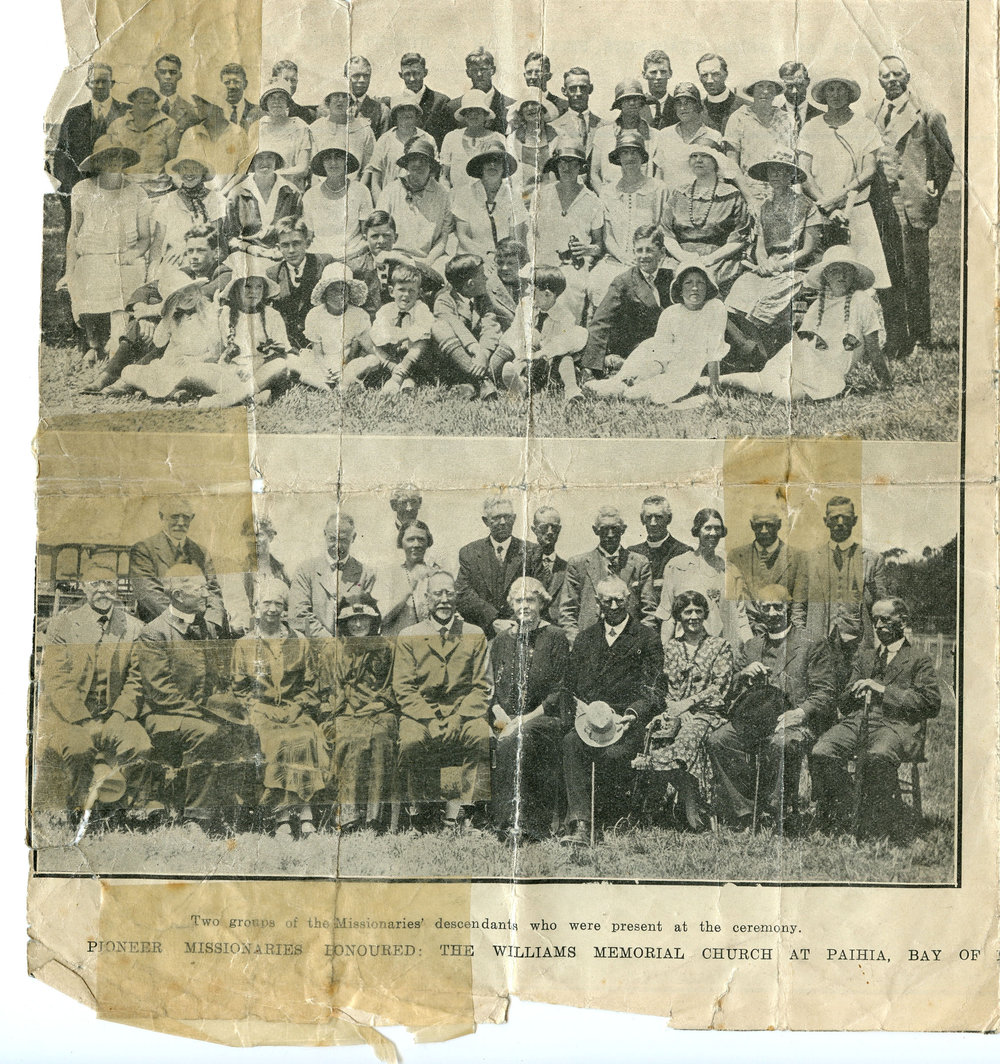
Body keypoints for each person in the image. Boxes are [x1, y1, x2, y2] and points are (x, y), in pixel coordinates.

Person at [137, 564, 257, 834]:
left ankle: (235, 811)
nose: (207, 594)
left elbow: (219, 678)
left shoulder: (207, 629)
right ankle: (196, 818)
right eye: (200, 589)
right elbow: (159, 691)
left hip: (200, 711)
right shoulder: (154, 633)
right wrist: (206, 712)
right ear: (178, 595)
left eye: (206, 587)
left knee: (245, 728)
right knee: (209, 732)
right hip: (164, 716)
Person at [706, 585, 835, 830]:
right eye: (767, 607)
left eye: (779, 607)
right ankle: (745, 810)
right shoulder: (752, 646)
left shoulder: (812, 643)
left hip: (798, 723)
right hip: (756, 720)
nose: (773, 613)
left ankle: (778, 811)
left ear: (789, 608)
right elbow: (730, 688)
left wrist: (799, 713)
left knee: (780, 744)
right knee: (719, 740)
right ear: (759, 611)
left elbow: (826, 692)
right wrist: (742, 675)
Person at [810, 597, 941, 840]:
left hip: (897, 726)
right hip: (859, 720)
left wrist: (882, 690)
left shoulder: (918, 658)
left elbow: (931, 703)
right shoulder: (866, 657)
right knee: (821, 751)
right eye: (875, 619)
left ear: (902, 621)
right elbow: (845, 703)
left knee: (878, 756)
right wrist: (851, 691)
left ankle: (877, 826)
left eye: (885, 619)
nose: (879, 625)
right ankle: (848, 807)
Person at [37, 561, 151, 817]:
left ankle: (127, 810)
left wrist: (119, 715)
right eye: (95, 584)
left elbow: (137, 679)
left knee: (139, 744)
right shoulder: (62, 626)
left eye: (108, 583)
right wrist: (85, 721)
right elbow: (57, 680)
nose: (102, 590)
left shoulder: (134, 628)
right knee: (78, 749)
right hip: (71, 718)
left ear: (117, 588)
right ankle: (78, 811)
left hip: (115, 715)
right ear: (82, 587)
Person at [561, 576, 664, 844]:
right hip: (591, 720)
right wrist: (579, 709)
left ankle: (609, 817)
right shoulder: (585, 639)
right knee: (572, 743)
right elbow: (570, 684)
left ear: (629, 600)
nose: (615, 605)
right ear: (598, 603)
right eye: (608, 601)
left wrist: (633, 713)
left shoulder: (647, 637)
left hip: (626, 720)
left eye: (620, 599)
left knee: (613, 753)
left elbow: (654, 690)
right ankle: (581, 824)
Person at [719, 246, 891, 400]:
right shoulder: (819, 304)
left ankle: (735, 387)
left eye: (847, 270)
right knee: (763, 379)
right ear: (826, 275)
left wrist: (885, 381)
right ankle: (708, 382)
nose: (841, 276)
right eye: (835, 270)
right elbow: (805, 342)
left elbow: (873, 347)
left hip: (830, 372)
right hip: (807, 362)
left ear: (854, 275)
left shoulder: (862, 301)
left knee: (781, 394)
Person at [392, 570, 492, 833]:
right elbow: (404, 687)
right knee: (412, 741)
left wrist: (458, 718)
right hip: (421, 715)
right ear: (427, 598)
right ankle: (418, 817)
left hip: (463, 713)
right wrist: (430, 719)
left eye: (449, 593)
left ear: (457, 596)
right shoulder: (408, 635)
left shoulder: (474, 633)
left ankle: (465, 816)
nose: (444, 600)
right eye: (438, 593)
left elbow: (482, 686)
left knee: (480, 734)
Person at [869, 55, 954, 355]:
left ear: (908, 77)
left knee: (914, 275)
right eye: (884, 75)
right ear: (878, 80)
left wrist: (932, 193)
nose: (891, 79)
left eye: (896, 74)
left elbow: (944, 159)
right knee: (888, 274)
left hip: (912, 207)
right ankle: (897, 338)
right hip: (883, 207)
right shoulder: (873, 114)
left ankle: (920, 338)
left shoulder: (927, 114)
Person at [229, 578, 326, 837]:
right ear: (256, 606)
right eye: (266, 603)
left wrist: (298, 707)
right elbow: (239, 690)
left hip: (295, 710)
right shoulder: (244, 644)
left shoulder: (300, 641)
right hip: (262, 713)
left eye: (278, 603)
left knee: (305, 736)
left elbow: (311, 685)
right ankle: (282, 817)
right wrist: (259, 708)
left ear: (285, 608)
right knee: (276, 741)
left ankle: (305, 812)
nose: (272, 609)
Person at [82, 224, 228, 395]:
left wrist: (151, 312)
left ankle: (125, 381)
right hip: (178, 334)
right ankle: (107, 376)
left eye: (200, 251)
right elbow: (145, 290)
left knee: (167, 329)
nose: (194, 257)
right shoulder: (186, 272)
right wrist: (142, 312)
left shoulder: (224, 273)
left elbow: (194, 299)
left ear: (216, 253)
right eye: (190, 251)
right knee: (139, 325)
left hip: (201, 345)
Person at [489, 577, 572, 841]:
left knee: (518, 739)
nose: (524, 606)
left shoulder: (556, 637)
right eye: (518, 600)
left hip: (544, 718)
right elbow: (490, 689)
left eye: (530, 600)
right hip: (505, 718)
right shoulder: (501, 640)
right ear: (511, 605)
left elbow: (559, 691)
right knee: (503, 737)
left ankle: (528, 823)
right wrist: (502, 716)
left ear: (542, 604)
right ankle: (503, 821)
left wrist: (522, 720)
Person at [648, 589, 736, 831]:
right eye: (688, 612)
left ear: (705, 614)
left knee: (688, 738)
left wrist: (689, 704)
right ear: (679, 616)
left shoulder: (719, 646)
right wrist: (676, 709)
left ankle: (691, 805)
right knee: (655, 734)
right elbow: (662, 686)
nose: (693, 616)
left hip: (709, 713)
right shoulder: (671, 648)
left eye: (698, 611)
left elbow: (720, 686)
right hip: (675, 710)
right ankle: (665, 802)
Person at [585, 259, 727, 406]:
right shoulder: (670, 313)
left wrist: (714, 386)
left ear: (708, 287)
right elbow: (660, 351)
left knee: (632, 395)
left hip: (682, 372)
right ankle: (617, 380)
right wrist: (649, 371)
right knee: (626, 377)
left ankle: (623, 386)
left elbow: (714, 351)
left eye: (700, 283)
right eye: (688, 283)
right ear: (679, 288)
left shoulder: (714, 308)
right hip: (657, 360)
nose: (695, 288)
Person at [797, 75, 891, 291]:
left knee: (864, 284)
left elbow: (869, 171)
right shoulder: (811, 128)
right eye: (831, 89)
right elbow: (804, 174)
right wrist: (826, 206)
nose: (836, 94)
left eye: (841, 89)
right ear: (824, 95)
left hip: (856, 212)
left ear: (850, 94)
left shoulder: (865, 127)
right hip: (820, 215)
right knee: (823, 283)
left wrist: (839, 198)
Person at [724, 153, 822, 361]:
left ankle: (763, 353)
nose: (776, 175)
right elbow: (760, 245)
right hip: (768, 266)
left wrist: (783, 264)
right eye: (771, 171)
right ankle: (746, 349)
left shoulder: (806, 206)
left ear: (791, 175)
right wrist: (763, 262)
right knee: (742, 288)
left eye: (781, 171)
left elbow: (808, 249)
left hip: (796, 267)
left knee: (769, 298)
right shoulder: (764, 207)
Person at [63, 138, 151, 366]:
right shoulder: (82, 190)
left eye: (118, 157)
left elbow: (144, 239)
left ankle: (116, 342)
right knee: (87, 274)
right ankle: (94, 345)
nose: (113, 162)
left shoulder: (137, 193)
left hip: (126, 256)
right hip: (91, 256)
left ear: (124, 161)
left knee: (126, 276)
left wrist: (130, 255)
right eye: (107, 157)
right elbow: (74, 233)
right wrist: (69, 268)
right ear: (98, 161)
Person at [317, 591, 397, 833]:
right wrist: (343, 706)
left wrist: (378, 704)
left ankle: (374, 818)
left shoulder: (386, 647)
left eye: (364, 619)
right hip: (345, 712)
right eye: (353, 620)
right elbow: (326, 690)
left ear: (374, 621)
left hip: (381, 711)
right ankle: (348, 815)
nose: (359, 624)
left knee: (380, 738)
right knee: (348, 738)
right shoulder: (333, 650)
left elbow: (395, 685)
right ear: (344, 623)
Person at [802, 496, 889, 688]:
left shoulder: (872, 560)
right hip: (818, 645)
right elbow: (799, 609)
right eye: (834, 518)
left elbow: (883, 608)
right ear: (826, 521)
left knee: (853, 699)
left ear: (855, 520)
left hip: (858, 647)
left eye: (846, 517)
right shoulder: (809, 559)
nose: (840, 523)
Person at [194, 259, 296, 409]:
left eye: (258, 287)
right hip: (233, 371)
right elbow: (217, 352)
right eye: (247, 286)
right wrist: (213, 318)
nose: (253, 292)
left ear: (264, 290)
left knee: (280, 365)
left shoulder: (272, 315)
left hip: (262, 368)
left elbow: (281, 352)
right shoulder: (226, 314)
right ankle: (255, 393)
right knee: (201, 370)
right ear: (236, 289)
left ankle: (227, 399)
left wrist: (254, 368)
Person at [585, 130, 669, 309]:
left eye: (634, 152)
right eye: (625, 152)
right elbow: (607, 235)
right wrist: (622, 256)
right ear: (618, 158)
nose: (630, 158)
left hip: (649, 259)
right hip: (616, 259)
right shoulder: (608, 192)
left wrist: (643, 256)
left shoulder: (658, 188)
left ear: (642, 156)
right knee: (597, 282)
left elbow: (663, 229)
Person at [581, 224, 673, 380]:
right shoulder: (624, 282)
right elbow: (601, 323)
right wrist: (590, 367)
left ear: (662, 253)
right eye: (639, 250)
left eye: (649, 250)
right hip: (636, 349)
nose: (643, 256)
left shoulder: (670, 279)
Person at [116, 270, 223, 400]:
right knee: (128, 371)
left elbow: (215, 353)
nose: (188, 296)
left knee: (199, 374)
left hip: (196, 366)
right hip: (169, 367)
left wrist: (194, 360)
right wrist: (166, 317)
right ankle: (175, 392)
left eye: (190, 290)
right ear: (172, 302)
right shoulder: (174, 319)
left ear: (197, 290)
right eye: (179, 295)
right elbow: (159, 342)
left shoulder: (209, 313)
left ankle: (174, 389)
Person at [558, 505, 657, 648]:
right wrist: (577, 643)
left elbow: (649, 611)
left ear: (623, 530)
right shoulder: (578, 564)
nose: (610, 534)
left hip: (630, 646)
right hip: (589, 645)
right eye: (604, 529)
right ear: (595, 530)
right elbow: (567, 611)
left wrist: (639, 643)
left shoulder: (639, 563)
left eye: (615, 529)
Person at [529, 137, 604, 324]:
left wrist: (586, 250)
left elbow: (598, 246)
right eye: (563, 162)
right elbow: (530, 233)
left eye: (573, 163)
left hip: (574, 266)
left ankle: (568, 345)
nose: (567, 168)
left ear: (581, 167)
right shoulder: (542, 195)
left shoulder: (592, 200)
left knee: (568, 292)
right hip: (542, 262)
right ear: (556, 166)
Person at [656, 507, 750, 651]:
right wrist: (664, 650)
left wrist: (751, 651)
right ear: (697, 530)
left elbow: (741, 618)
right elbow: (667, 616)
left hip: (724, 650)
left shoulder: (732, 571)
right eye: (708, 528)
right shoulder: (677, 566)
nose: (713, 533)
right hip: (687, 650)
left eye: (717, 528)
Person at [661, 145, 750, 294]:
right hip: (679, 256)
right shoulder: (679, 193)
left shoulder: (732, 195)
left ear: (716, 162)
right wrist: (683, 256)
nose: (698, 160)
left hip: (718, 259)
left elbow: (739, 237)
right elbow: (666, 232)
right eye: (694, 156)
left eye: (705, 156)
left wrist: (711, 258)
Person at [129, 496, 226, 630]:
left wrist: (210, 624)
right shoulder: (143, 550)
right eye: (174, 516)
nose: (180, 522)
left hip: (200, 629)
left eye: (186, 517)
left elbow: (214, 591)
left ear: (192, 518)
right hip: (159, 628)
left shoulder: (201, 552)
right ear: (162, 517)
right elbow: (149, 595)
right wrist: (182, 623)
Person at [51, 63, 129, 229]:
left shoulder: (126, 112)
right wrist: (72, 189)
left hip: (117, 192)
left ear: (112, 83)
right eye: (95, 82)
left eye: (104, 81)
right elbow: (61, 156)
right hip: (82, 191)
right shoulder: (73, 115)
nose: (99, 86)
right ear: (87, 84)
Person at [494, 267, 587, 403]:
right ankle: (520, 384)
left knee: (564, 357)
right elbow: (516, 331)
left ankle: (571, 389)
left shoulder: (564, 316)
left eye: (532, 290)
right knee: (511, 351)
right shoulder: (525, 305)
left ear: (548, 294)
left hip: (549, 361)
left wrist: (542, 353)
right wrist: (522, 355)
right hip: (527, 353)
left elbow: (564, 343)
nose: (527, 291)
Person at [455, 494, 542, 638]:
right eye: (496, 518)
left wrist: (513, 622)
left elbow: (538, 592)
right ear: (486, 521)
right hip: (481, 632)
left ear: (514, 518)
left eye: (507, 517)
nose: (502, 522)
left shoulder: (532, 551)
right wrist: (493, 620)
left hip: (521, 631)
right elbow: (463, 594)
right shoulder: (469, 552)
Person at [343, 258, 433, 392]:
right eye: (401, 290)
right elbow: (378, 336)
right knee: (374, 344)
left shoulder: (421, 308)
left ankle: (399, 377)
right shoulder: (386, 310)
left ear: (419, 293)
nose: (406, 295)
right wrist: (394, 336)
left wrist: (400, 335)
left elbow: (423, 328)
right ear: (391, 291)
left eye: (411, 291)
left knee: (421, 340)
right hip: (392, 359)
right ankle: (401, 377)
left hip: (414, 360)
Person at [289, 512, 377, 637]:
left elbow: (370, 618)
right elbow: (298, 614)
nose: (337, 546)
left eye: (344, 540)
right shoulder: (305, 570)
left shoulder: (366, 573)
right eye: (332, 539)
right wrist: (327, 641)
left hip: (352, 649)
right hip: (313, 648)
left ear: (354, 537)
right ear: (324, 534)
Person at [431, 254, 503, 400]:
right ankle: (481, 380)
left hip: (479, 358)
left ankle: (470, 384)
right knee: (439, 328)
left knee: (502, 338)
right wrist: (476, 349)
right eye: (483, 276)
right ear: (471, 284)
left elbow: (490, 326)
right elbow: (458, 328)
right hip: (454, 359)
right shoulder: (444, 300)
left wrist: (484, 353)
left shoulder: (483, 298)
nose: (486, 279)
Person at [375, 138, 452, 269]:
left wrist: (427, 262)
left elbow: (443, 238)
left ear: (431, 165)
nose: (417, 164)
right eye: (413, 159)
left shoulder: (442, 194)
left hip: (428, 259)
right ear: (407, 164)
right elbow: (378, 230)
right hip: (395, 256)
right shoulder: (391, 191)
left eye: (423, 160)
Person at [724, 75, 796, 213]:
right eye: (760, 86)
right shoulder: (739, 117)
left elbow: (793, 163)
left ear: (776, 92)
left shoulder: (787, 119)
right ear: (752, 91)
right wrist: (750, 199)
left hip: (783, 195)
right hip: (749, 194)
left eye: (770, 87)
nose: (765, 91)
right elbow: (731, 164)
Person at [451, 138, 529, 266]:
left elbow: (515, 239)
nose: (492, 165)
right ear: (481, 166)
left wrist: (498, 259)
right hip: (472, 259)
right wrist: (484, 257)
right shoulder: (465, 195)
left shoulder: (513, 198)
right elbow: (463, 236)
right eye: (488, 161)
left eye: (497, 161)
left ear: (504, 167)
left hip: (503, 261)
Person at [727, 508, 807, 631]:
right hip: (748, 630)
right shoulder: (736, 556)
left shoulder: (797, 557)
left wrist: (796, 636)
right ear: (752, 525)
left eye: (769, 525)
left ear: (779, 525)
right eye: (759, 525)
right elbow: (737, 602)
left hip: (785, 631)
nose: (764, 530)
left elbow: (798, 605)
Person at [298, 262, 371, 390]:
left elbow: (353, 353)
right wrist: (326, 369)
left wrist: (343, 367)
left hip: (348, 362)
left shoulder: (359, 315)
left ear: (349, 293)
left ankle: (345, 382)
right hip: (323, 360)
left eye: (344, 290)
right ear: (325, 293)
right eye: (334, 290)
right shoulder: (315, 315)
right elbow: (318, 353)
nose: (340, 294)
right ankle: (328, 387)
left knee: (370, 360)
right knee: (303, 364)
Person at [265, 217, 334, 350]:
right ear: (278, 248)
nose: (291, 250)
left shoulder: (324, 263)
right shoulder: (272, 274)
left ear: (307, 243)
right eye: (285, 245)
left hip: (323, 340)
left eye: (296, 243)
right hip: (289, 344)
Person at [148, 156, 227, 271]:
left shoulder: (215, 200)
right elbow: (158, 241)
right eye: (184, 168)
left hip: (204, 261)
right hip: (172, 262)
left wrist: (186, 248)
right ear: (179, 172)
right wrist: (152, 269)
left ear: (203, 172)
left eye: (195, 168)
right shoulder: (168, 200)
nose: (189, 173)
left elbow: (215, 238)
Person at [301, 146, 373, 269]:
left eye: (338, 158)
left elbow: (367, 232)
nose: (333, 163)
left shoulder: (360, 191)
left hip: (354, 256)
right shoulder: (310, 195)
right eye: (328, 158)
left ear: (346, 161)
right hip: (320, 257)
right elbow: (309, 235)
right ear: (322, 163)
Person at [224, 149, 302, 260]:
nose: (265, 162)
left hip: (284, 255)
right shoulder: (237, 194)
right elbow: (230, 237)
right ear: (252, 162)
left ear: (276, 161)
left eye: (270, 157)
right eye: (259, 158)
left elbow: (298, 230)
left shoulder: (291, 192)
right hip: (248, 256)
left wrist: (282, 249)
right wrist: (250, 248)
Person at [651, 82, 727, 193]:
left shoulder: (714, 136)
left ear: (697, 105)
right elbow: (659, 172)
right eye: (678, 103)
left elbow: (721, 176)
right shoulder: (665, 134)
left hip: (703, 202)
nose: (683, 107)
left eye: (688, 103)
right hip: (671, 203)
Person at [106, 85, 179, 196]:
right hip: (126, 192)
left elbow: (173, 161)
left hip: (160, 191)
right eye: (140, 93)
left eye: (150, 93)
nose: (145, 97)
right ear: (132, 98)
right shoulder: (117, 125)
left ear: (156, 99)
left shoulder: (168, 124)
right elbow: (110, 162)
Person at [378, 520, 443, 637]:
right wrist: (411, 586)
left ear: (428, 542)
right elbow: (382, 618)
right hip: (396, 645)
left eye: (421, 539)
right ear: (401, 543)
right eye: (410, 539)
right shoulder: (388, 575)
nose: (416, 544)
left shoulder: (438, 575)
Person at [589, 79, 654, 188]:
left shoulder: (654, 135)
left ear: (641, 102)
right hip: (611, 198)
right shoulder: (603, 134)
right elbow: (594, 174)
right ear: (619, 104)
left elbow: (658, 175)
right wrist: (605, 198)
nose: (632, 103)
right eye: (626, 99)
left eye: (635, 99)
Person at [625, 495, 692, 599]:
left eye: (659, 517)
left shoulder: (684, 552)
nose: (653, 523)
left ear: (669, 519)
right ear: (642, 519)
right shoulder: (632, 553)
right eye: (648, 517)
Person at [367, 94, 436, 197]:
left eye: (410, 109)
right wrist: (381, 207)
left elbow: (432, 176)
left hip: (421, 201)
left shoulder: (427, 139)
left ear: (417, 115)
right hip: (391, 201)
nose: (406, 113)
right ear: (395, 116)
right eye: (402, 110)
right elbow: (376, 180)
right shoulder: (385, 140)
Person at [248, 83, 313, 188]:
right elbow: (249, 165)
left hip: (290, 188)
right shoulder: (258, 127)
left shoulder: (300, 127)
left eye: (281, 98)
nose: (276, 102)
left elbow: (303, 168)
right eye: (272, 98)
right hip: (261, 187)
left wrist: (272, 176)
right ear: (266, 103)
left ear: (287, 103)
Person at [309, 80, 376, 176]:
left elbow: (369, 166)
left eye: (344, 97)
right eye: (336, 96)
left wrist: (359, 187)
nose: (340, 100)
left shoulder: (364, 129)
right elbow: (313, 167)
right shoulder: (315, 128)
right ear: (328, 101)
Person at [177, 97, 250, 183]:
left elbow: (243, 172)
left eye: (204, 101)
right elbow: (181, 172)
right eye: (197, 101)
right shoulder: (190, 134)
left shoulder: (239, 134)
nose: (198, 105)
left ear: (219, 105)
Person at [505, 91, 560, 200]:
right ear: (521, 113)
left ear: (543, 109)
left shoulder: (558, 136)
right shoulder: (512, 139)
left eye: (534, 103)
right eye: (525, 105)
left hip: (553, 198)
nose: (530, 108)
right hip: (522, 198)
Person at [447, 47, 514, 135]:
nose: (479, 74)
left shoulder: (510, 106)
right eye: (474, 70)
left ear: (492, 70)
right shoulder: (454, 107)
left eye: (483, 69)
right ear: (468, 73)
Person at [392, 52, 452, 148]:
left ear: (425, 72)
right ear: (400, 75)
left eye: (416, 73)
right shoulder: (394, 103)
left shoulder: (441, 102)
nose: (412, 79)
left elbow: (447, 141)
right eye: (407, 74)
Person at [439, 91, 496, 191]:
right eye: (469, 111)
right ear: (464, 115)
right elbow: (444, 176)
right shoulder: (451, 137)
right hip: (458, 200)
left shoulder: (497, 138)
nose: (473, 115)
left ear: (485, 114)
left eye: (477, 111)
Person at [551, 68, 603, 165]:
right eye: (573, 88)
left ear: (591, 89)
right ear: (564, 91)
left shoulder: (605, 126)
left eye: (583, 88)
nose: (578, 93)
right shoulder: (553, 127)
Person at [526, 505, 568, 607]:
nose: (550, 532)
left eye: (554, 528)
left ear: (559, 529)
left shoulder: (567, 568)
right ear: (534, 530)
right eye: (544, 527)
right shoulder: (523, 564)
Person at [696, 54, 744, 135]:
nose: (709, 81)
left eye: (715, 74)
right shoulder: (696, 111)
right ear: (699, 78)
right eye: (704, 75)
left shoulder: (745, 107)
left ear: (726, 74)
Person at [153, 54, 199, 135]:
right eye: (163, 72)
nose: (168, 77)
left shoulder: (190, 110)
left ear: (180, 76)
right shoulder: (145, 106)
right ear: (156, 75)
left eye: (173, 73)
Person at [345, 56, 390, 139]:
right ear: (346, 78)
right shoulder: (334, 107)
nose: (362, 80)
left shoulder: (382, 111)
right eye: (356, 76)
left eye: (366, 76)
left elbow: (382, 146)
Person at [778, 61, 821, 139]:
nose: (795, 91)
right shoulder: (775, 118)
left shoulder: (820, 116)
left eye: (799, 85)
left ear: (807, 83)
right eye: (790, 86)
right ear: (782, 86)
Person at [522, 52, 569, 118]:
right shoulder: (518, 107)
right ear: (524, 75)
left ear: (549, 76)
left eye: (538, 72)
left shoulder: (564, 107)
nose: (533, 77)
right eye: (529, 72)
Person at [271, 59, 317, 124]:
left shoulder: (308, 114)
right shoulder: (261, 113)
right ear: (274, 81)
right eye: (285, 79)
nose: (290, 84)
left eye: (293, 80)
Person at [641, 49, 676, 130]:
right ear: (644, 75)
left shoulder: (678, 106)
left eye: (663, 72)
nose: (659, 77)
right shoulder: (636, 105)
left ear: (670, 73)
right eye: (653, 72)